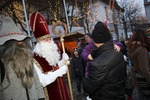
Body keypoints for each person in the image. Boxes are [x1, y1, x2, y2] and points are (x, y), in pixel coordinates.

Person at [0, 16, 45, 100]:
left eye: (22, 40)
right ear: (8, 44)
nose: (22, 43)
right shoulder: (2, 64)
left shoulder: (27, 58)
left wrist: (41, 98)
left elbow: (36, 82)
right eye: (17, 41)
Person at [29, 12, 70, 100]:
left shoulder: (49, 53)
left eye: (49, 39)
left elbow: (53, 68)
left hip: (62, 91)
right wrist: (60, 72)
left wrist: (62, 61)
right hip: (51, 95)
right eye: (46, 40)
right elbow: (42, 81)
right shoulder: (35, 59)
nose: (49, 41)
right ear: (39, 42)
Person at [82, 21, 127, 100]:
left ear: (95, 41)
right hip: (119, 94)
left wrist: (85, 75)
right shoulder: (118, 53)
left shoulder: (97, 65)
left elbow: (88, 87)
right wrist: (88, 56)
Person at [127, 28, 150, 100]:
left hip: (137, 79)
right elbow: (144, 69)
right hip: (144, 81)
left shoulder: (132, 48)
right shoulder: (142, 50)